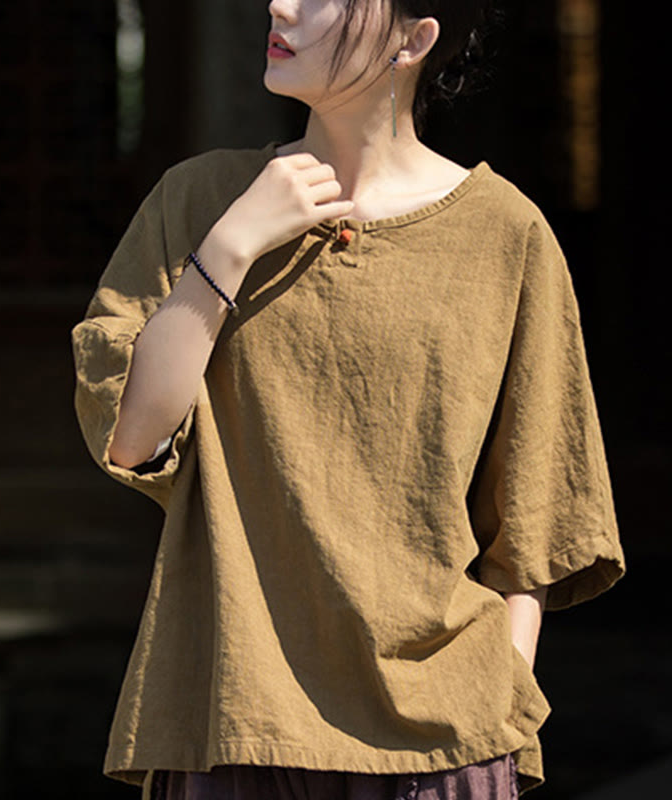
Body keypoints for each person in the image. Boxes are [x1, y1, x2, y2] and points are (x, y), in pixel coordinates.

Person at [70, 0, 627, 798]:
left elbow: (534, 518)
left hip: (441, 741)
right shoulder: (200, 199)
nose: (282, 5)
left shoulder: (507, 234)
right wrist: (231, 245)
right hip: (235, 720)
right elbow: (133, 438)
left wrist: (497, 697)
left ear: (414, 37)